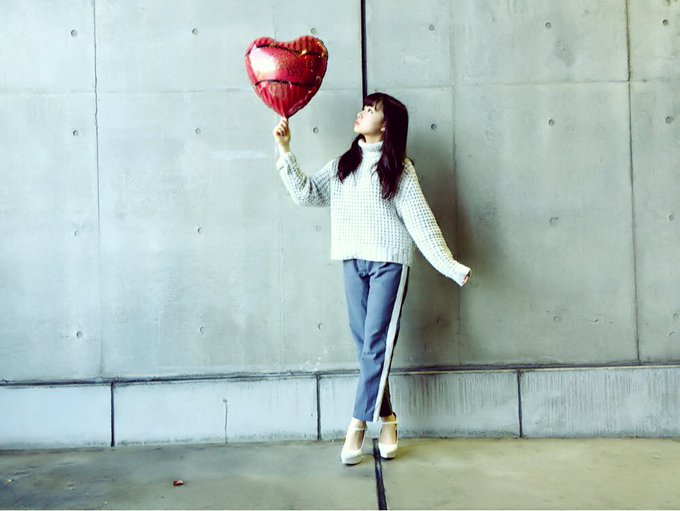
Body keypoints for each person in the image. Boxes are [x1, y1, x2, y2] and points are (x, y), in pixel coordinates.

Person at [272, 92, 471, 465]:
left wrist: (450, 266)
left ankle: (358, 423)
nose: (361, 113)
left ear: (386, 124)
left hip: (389, 264)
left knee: (376, 345)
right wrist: (285, 151)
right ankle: (389, 418)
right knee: (367, 348)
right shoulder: (343, 165)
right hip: (352, 261)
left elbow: (422, 223)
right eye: (363, 108)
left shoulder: (400, 170)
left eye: (370, 110)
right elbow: (306, 194)